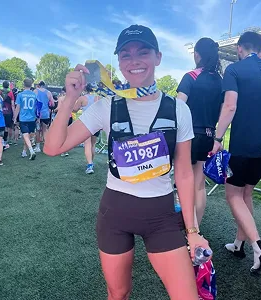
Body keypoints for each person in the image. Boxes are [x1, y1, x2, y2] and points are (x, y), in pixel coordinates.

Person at [44, 24, 210, 300]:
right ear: (118, 62)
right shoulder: (106, 106)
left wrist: (192, 231)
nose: (134, 61)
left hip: (162, 217)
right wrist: (70, 97)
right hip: (115, 214)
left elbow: (183, 174)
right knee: (118, 294)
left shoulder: (178, 108)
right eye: (125, 55)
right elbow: (53, 147)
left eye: (142, 53)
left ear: (157, 57)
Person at [211, 31, 261, 272]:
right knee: (246, 195)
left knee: (233, 195)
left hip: (243, 147)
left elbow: (230, 105)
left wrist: (217, 137)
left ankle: (258, 247)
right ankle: (238, 244)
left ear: (239, 48)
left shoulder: (234, 70)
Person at [177, 37, 223, 227]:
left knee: (183, 181)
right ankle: (195, 228)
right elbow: (223, 109)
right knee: (199, 185)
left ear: (197, 54)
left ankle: (188, 227)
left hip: (188, 136)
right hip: (208, 135)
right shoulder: (220, 81)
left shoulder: (191, 76)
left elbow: (179, 105)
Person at [73, 84, 100, 174]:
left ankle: (90, 165)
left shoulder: (82, 98)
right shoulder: (98, 98)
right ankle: (91, 163)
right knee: (93, 144)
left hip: (87, 123)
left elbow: (74, 110)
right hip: (96, 123)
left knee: (87, 144)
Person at [13, 78, 37, 160]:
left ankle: (31, 151)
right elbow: (37, 107)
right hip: (32, 118)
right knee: (28, 137)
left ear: (23, 84)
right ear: (31, 85)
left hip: (23, 118)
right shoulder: (34, 95)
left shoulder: (20, 95)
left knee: (25, 136)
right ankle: (24, 151)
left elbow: (17, 108)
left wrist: (15, 118)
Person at [34, 81, 54, 153]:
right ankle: (46, 147)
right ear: (44, 85)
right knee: (45, 130)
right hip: (46, 114)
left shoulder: (35, 91)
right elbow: (52, 104)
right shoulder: (48, 93)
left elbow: (33, 102)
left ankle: (38, 147)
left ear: (39, 85)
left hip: (38, 114)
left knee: (38, 130)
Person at [55, 87, 73, 157]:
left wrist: (54, 110)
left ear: (63, 91)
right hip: (69, 117)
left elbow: (58, 108)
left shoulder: (61, 98)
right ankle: (66, 150)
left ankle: (62, 150)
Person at [1, 80, 15, 149]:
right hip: (8, 112)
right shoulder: (10, 93)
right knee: (7, 127)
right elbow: (12, 104)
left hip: (1, 112)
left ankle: (0, 141)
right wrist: (14, 114)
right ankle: (5, 141)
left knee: (1, 127)